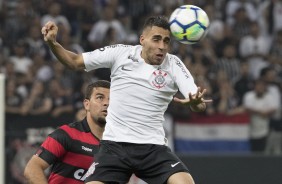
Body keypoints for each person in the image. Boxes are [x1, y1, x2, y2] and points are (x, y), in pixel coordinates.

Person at [41, 16, 212, 184]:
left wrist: (196, 104)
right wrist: (52, 43)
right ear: (142, 40)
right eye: (156, 39)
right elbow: (75, 61)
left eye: (166, 41)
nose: (162, 46)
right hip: (114, 146)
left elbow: (198, 102)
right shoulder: (121, 53)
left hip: (152, 147)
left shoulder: (174, 64)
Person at [24, 80, 110, 184]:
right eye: (100, 98)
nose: (106, 103)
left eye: (111, 99)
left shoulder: (118, 144)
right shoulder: (66, 134)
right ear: (87, 104)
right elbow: (32, 168)